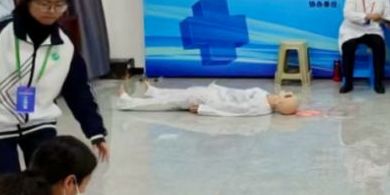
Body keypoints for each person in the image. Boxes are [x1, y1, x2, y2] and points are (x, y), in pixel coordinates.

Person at [0, 0, 110, 183]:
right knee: (3, 194)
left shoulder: (64, 43)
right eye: (45, 3)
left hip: (40, 123)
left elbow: (79, 90)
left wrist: (95, 132)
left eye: (59, 5)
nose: (52, 11)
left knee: (45, 188)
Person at [339, 0, 390, 94]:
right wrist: (367, 16)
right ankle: (348, 83)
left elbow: (387, 12)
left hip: (372, 29)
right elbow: (348, 13)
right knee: (348, 47)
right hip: (352, 28)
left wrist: (388, 21)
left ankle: (378, 82)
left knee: (379, 45)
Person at [116, 81, 299, 115]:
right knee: (182, 93)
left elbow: (232, 110)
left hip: (209, 100)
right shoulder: (266, 97)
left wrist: (204, 109)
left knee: (170, 103)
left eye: (288, 96)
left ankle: (128, 102)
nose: (287, 92)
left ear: (281, 102)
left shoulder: (259, 106)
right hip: (213, 93)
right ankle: (154, 91)